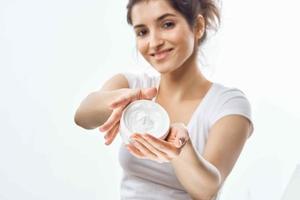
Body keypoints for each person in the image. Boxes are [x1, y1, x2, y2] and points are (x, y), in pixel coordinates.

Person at [74, 0, 254, 199]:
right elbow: (82, 116)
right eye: (142, 32)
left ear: (198, 26)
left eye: (167, 24)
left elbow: (206, 190)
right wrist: (121, 99)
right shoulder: (133, 84)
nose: (154, 42)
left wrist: (180, 149)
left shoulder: (227, 104)